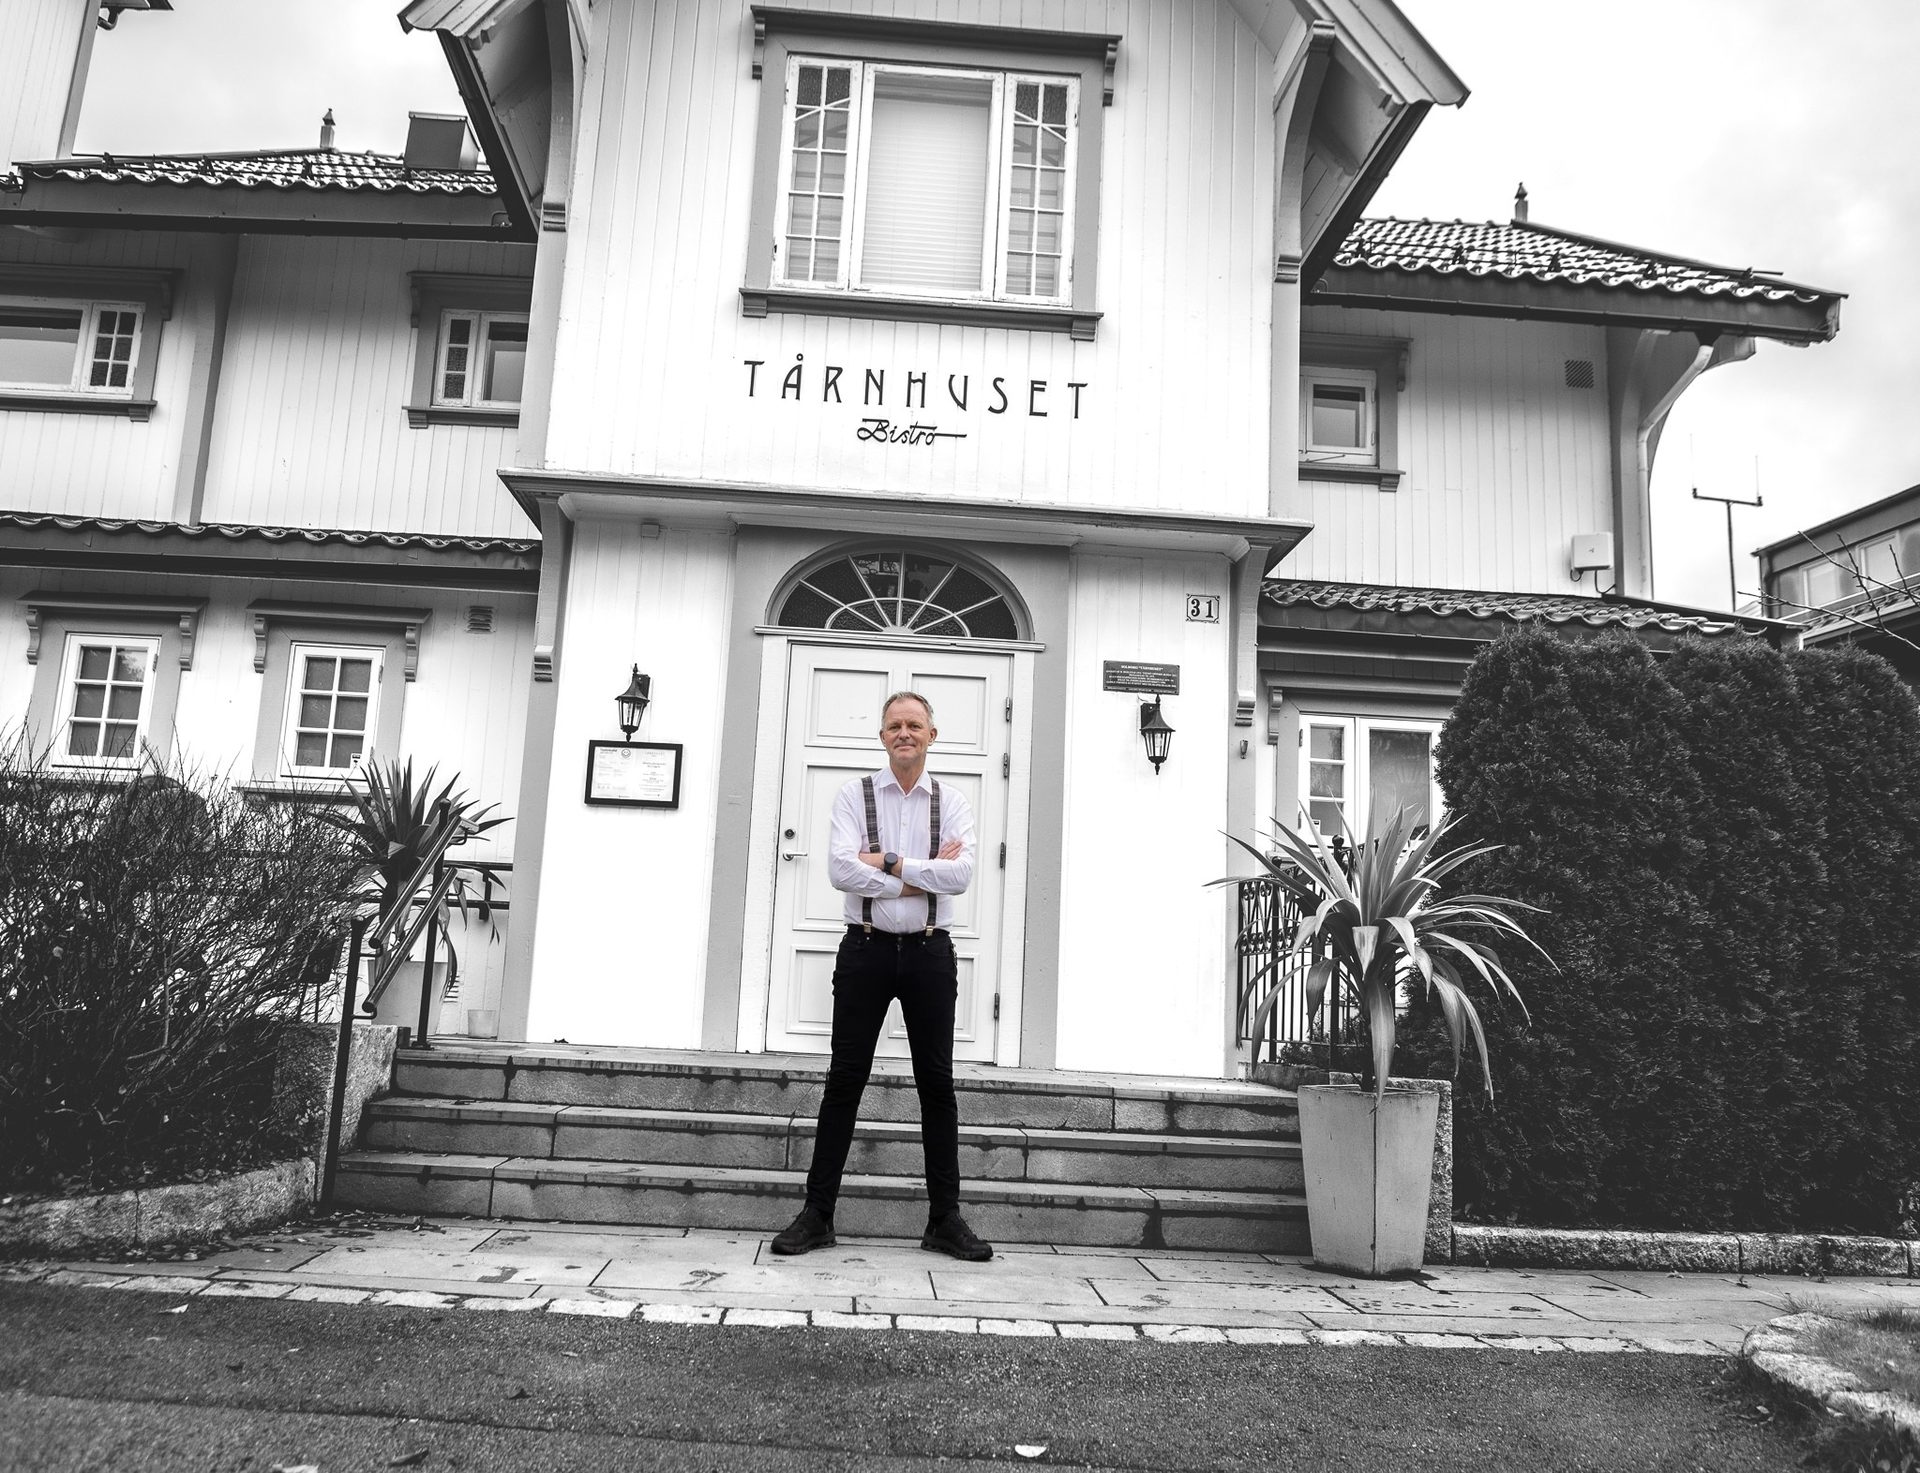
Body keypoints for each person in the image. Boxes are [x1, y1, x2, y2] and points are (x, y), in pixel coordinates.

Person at [770, 690, 993, 1262]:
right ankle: (818, 1214)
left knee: (936, 1087)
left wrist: (888, 862)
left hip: (929, 953)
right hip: (865, 950)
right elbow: (841, 868)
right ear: (882, 735)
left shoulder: (954, 800)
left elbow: (962, 873)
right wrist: (921, 874)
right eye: (894, 725)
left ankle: (945, 1219)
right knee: (845, 1080)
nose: (904, 733)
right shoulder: (854, 794)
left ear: (932, 735)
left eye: (914, 724)